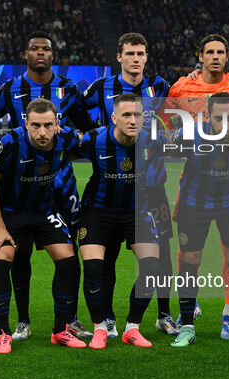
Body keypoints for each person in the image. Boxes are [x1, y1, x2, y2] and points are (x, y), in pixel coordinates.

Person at [0, 30, 97, 340]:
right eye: (34, 49)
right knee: (19, 255)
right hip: (19, 184)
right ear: (26, 54)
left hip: (61, 186)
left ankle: (69, 320)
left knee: (68, 252)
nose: (40, 53)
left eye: (45, 49)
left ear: (52, 54)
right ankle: (22, 321)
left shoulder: (68, 88)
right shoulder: (10, 89)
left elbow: (87, 129)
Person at [82, 32, 178, 337]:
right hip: (113, 185)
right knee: (105, 256)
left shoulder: (160, 86)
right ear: (119, 57)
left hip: (153, 186)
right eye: (130, 54)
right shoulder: (101, 88)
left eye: (140, 54)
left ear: (146, 57)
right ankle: (107, 316)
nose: (135, 59)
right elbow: (78, 116)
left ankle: (164, 314)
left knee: (161, 253)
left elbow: (176, 113)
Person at [0, 99, 86, 353]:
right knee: (3, 259)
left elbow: (84, 141)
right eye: (36, 125)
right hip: (9, 213)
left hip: (44, 210)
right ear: (26, 123)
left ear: (57, 124)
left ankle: (60, 330)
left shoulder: (67, 138)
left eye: (48, 125)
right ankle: (3, 333)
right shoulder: (8, 144)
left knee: (69, 260)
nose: (42, 132)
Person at [168, 33, 229, 339]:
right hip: (193, 184)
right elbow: (168, 127)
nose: (216, 56)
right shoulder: (180, 87)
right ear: (200, 57)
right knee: (188, 254)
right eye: (210, 52)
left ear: (227, 56)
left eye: (221, 52)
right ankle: (187, 315)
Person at [74, 93, 163, 349]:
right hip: (98, 211)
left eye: (137, 115)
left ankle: (132, 328)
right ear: (114, 118)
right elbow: (62, 150)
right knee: (94, 269)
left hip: (136, 211)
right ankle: (100, 328)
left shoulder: (152, 140)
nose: (132, 120)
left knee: (152, 268)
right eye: (126, 115)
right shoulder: (94, 139)